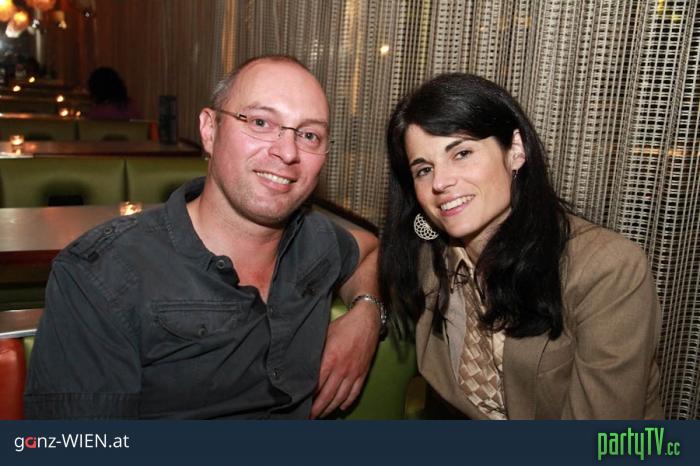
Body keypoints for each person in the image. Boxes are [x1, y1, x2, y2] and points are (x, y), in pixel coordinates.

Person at [25, 55, 383, 419]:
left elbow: (373, 251)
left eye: (309, 135)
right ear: (209, 130)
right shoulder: (100, 275)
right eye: (260, 122)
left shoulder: (316, 241)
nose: (288, 152)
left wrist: (367, 314)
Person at [379, 72, 663, 419]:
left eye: (462, 153)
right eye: (424, 169)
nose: (440, 182)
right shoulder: (431, 261)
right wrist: (366, 311)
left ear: (515, 150)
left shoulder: (608, 269)